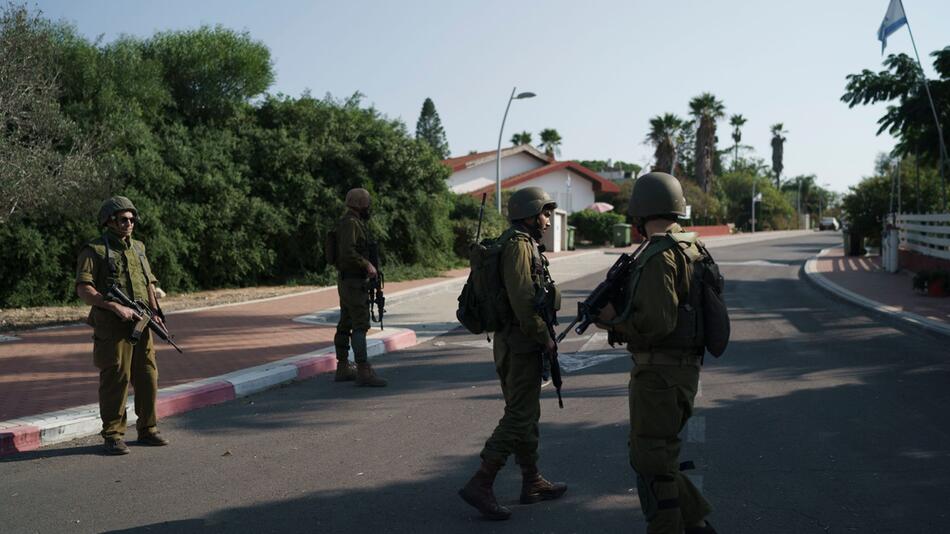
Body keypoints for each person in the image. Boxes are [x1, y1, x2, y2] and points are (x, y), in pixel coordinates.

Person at [596, 172, 716, 533]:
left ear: (640, 214)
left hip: (659, 373)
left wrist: (613, 322)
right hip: (679, 369)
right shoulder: (691, 246)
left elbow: (658, 323)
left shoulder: (659, 255)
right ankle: (695, 524)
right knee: (661, 457)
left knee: (650, 461)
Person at [458, 187, 567, 521]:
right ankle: (482, 480)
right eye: (545, 214)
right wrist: (543, 337)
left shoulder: (517, 241)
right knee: (520, 414)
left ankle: (531, 480)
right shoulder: (519, 246)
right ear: (530, 215)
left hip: (515, 341)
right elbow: (522, 299)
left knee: (525, 412)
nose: (548, 221)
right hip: (521, 342)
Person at [75, 196, 169, 455]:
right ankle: (113, 434)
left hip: (142, 323)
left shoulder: (138, 247)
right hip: (112, 327)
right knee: (116, 378)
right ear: (109, 221)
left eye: (132, 219)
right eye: (124, 219)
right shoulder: (94, 250)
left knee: (148, 376)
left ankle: (148, 429)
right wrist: (114, 305)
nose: (130, 223)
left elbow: (149, 283)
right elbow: (84, 289)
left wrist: (157, 312)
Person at [333, 187, 386, 387]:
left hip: (350, 281)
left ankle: (343, 367)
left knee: (346, 321)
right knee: (359, 325)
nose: (368, 208)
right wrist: (367, 265)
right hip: (354, 282)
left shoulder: (352, 222)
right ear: (360, 205)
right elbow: (347, 252)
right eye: (366, 204)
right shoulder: (351, 224)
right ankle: (363, 370)